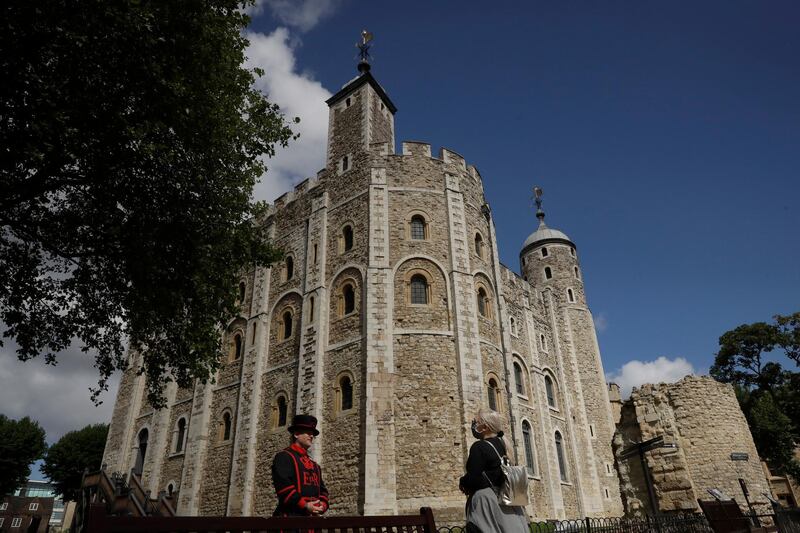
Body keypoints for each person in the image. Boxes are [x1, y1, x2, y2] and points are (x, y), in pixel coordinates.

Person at [459, 409, 527, 533]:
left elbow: (473, 478)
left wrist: (463, 481)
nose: (473, 425)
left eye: (476, 422)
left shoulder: (479, 447)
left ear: (484, 427)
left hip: (487, 503)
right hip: (507, 502)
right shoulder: (503, 445)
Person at [272, 414, 329, 517]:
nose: (311, 436)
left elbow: (323, 491)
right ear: (296, 434)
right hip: (290, 519)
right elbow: (284, 489)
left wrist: (322, 505)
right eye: (307, 432)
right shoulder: (284, 457)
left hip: (311, 521)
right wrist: (305, 505)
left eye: (312, 433)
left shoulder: (315, 465)